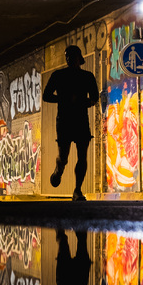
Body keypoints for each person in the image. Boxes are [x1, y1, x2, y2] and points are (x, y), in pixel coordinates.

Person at [42, 45, 99, 201]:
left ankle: (77, 190)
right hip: (64, 121)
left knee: (82, 156)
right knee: (64, 157)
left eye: (71, 56)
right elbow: (46, 96)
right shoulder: (58, 75)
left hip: (81, 120)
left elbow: (94, 97)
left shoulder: (88, 77)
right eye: (66, 56)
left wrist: (86, 102)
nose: (69, 59)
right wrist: (65, 99)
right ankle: (59, 170)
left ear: (78, 58)